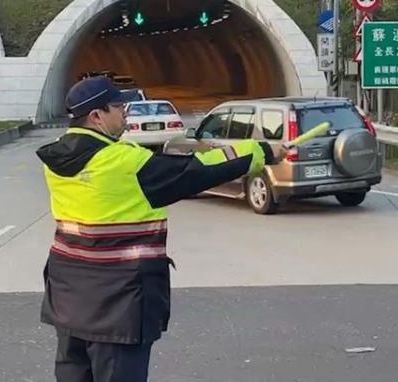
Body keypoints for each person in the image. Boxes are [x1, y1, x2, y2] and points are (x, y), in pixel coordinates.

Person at [35, 75, 286, 382]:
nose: (126, 110)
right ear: (96, 116)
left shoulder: (55, 158)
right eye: (118, 105)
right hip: (118, 303)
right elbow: (198, 170)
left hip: (69, 297)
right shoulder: (125, 163)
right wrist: (260, 152)